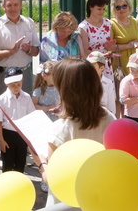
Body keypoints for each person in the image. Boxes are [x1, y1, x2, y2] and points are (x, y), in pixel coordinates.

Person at [43, 59, 116, 206]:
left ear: (65, 91)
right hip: (98, 198)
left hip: (65, 203)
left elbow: (52, 178)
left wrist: (41, 163)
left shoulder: (61, 129)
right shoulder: (109, 118)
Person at [0, 0, 40, 98]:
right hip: (3, 75)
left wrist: (29, 50)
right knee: (4, 107)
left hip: (24, 74)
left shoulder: (29, 22)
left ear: (21, 5)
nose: (13, 8)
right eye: (9, 5)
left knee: (26, 106)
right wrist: (11, 51)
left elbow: (36, 51)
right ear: (3, 6)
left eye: (16, 5)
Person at [0, 67, 39, 173]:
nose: (16, 87)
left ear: (22, 81)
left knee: (20, 163)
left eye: (18, 84)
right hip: (7, 135)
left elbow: (31, 117)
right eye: (13, 85)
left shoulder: (26, 97)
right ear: (7, 84)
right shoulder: (1, 99)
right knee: (7, 165)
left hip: (22, 134)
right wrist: (1, 140)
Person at [79, 0, 117, 78]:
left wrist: (110, 49)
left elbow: (110, 45)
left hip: (106, 65)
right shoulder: (83, 27)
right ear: (90, 7)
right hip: (92, 64)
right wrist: (101, 55)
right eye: (99, 9)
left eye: (104, 9)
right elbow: (85, 50)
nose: (102, 12)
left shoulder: (108, 23)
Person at [109, 0, 138, 74]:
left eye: (124, 6)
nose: (122, 9)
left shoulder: (134, 21)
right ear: (114, 9)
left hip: (134, 62)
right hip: (119, 64)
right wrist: (128, 45)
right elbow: (110, 48)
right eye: (118, 7)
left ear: (129, 6)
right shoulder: (111, 24)